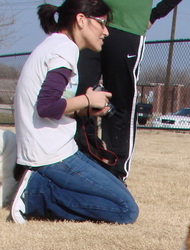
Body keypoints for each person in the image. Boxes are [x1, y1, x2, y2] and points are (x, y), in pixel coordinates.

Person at [10, 0, 139, 225]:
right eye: (102, 23)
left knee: (120, 193)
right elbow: (46, 106)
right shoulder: (65, 49)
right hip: (50, 155)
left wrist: (85, 108)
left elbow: (49, 107)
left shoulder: (55, 45)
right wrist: (87, 99)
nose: (106, 32)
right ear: (81, 20)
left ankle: (37, 185)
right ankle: (34, 194)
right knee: (126, 210)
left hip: (55, 150)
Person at [76, 0, 183, 181]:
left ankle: (116, 172)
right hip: (89, 19)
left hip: (128, 27)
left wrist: (155, 14)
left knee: (121, 101)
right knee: (79, 93)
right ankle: (82, 160)